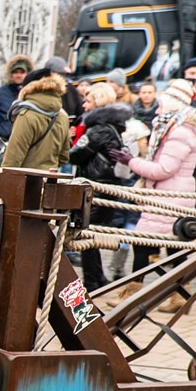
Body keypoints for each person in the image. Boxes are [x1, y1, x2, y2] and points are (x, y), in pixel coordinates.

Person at [110, 79, 196, 311]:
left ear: (173, 104)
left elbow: (163, 169)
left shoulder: (180, 133)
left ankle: (132, 296)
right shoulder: (174, 128)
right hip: (170, 195)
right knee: (172, 248)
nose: (158, 107)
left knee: (143, 243)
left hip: (169, 195)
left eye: (163, 102)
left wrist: (131, 161)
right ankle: (179, 295)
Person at [68, 91, 133, 288]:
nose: (84, 105)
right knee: (92, 234)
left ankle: (91, 281)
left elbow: (75, 155)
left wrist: (70, 141)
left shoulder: (98, 130)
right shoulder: (113, 128)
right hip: (106, 185)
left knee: (86, 233)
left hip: (96, 186)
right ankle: (97, 276)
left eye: (88, 101)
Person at [0, 68, 69, 170]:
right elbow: (64, 156)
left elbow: (13, 158)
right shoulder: (63, 116)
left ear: (27, 89)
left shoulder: (27, 115)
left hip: (25, 180)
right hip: (50, 180)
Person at [42, 57, 83, 123]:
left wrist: (74, 126)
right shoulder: (42, 91)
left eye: (64, 75)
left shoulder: (70, 89)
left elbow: (79, 112)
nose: (62, 78)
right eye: (59, 74)